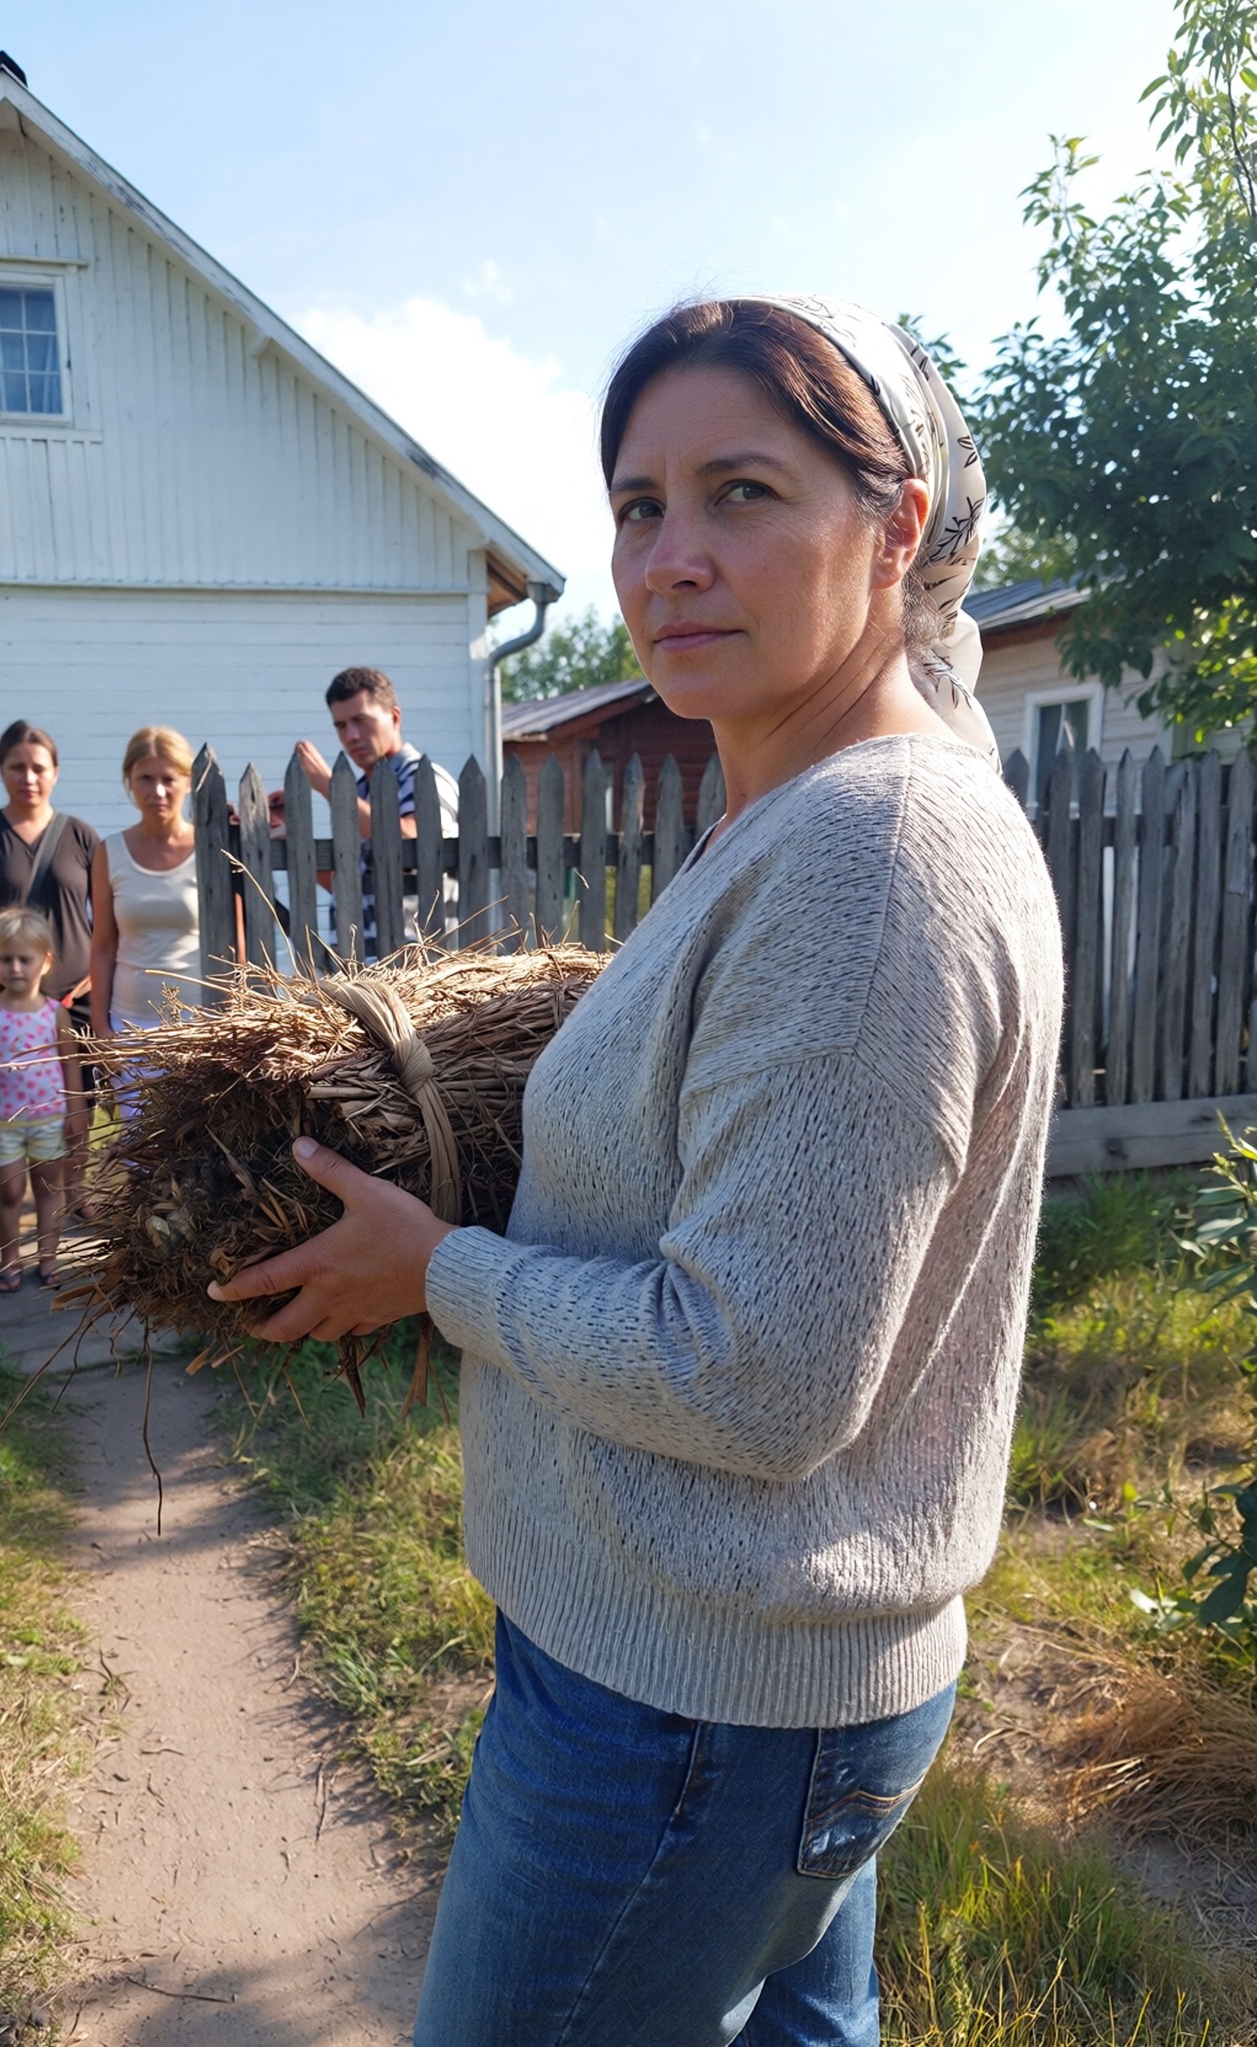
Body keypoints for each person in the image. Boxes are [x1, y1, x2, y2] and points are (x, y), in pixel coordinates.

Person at [207, 296, 1064, 2046]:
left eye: (741, 492)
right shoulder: (806, 805)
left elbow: (755, 1375)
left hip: (693, 1711)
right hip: (751, 1671)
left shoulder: (872, 853)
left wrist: (433, 1270)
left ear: (895, 526)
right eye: (637, 505)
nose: (670, 556)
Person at [0, 722, 100, 1214]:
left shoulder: (80, 836)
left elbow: (109, 917)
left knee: (79, 1099)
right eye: (17, 766)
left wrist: (96, 974)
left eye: (38, 767)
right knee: (5, 1104)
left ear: (55, 773)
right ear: (1, 771)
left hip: (75, 997)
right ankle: (7, 1210)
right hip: (5, 999)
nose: (28, 777)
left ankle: (73, 1196)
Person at [294, 667, 459, 959]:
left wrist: (331, 788)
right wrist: (289, 832)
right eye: (341, 725)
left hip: (416, 970)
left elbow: (413, 841)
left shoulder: (423, 777)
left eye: (360, 720)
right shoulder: (359, 791)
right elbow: (346, 884)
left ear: (394, 717)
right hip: (362, 969)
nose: (351, 735)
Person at [0, 906, 83, 1293]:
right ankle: (9, 1260)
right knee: (10, 1194)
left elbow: (70, 1065)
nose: (15, 967)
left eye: (24, 959)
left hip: (50, 1117)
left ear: (45, 963)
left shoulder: (55, 1015)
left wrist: (76, 1109)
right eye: (5, 959)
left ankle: (49, 1259)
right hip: (3, 1123)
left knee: (49, 1191)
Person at [89, 726, 200, 1100]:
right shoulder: (110, 852)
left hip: (198, 1025)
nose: (158, 791)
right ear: (129, 782)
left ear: (187, 781)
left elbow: (235, 943)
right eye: (145, 779)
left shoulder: (211, 846)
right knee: (138, 1149)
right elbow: (103, 945)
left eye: (169, 779)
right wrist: (101, 1027)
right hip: (130, 1027)